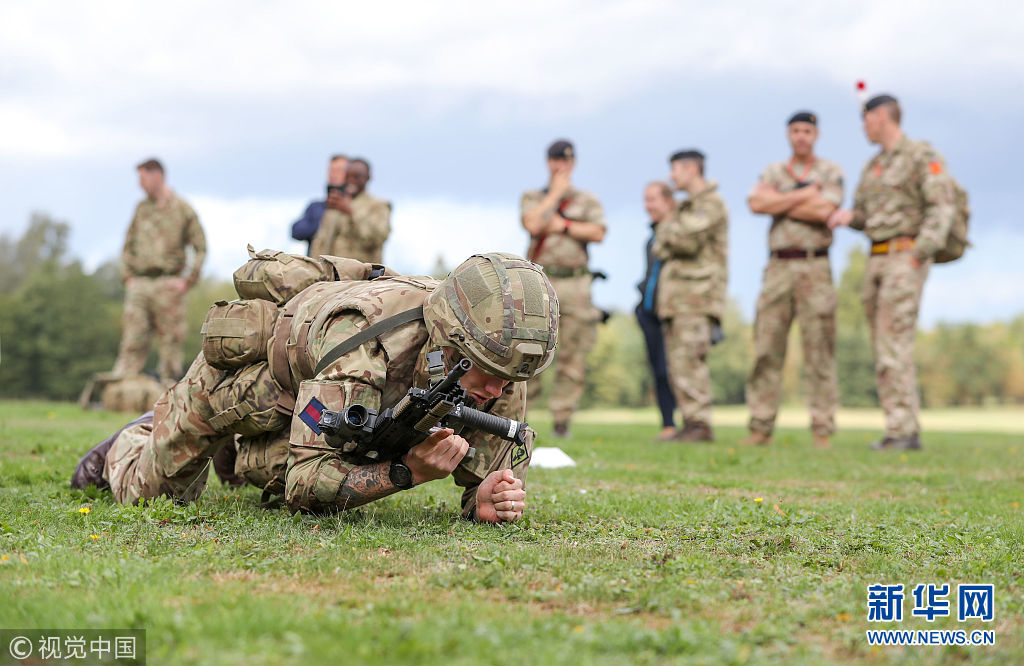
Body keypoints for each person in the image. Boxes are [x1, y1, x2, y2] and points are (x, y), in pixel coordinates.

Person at [72, 252, 559, 523]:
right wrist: (407, 470)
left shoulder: (496, 360)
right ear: (449, 342)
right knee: (153, 498)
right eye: (485, 371)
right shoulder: (366, 344)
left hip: (326, 401)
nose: (497, 390)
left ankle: (241, 453)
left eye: (511, 377)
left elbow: (485, 481)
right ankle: (135, 439)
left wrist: (487, 501)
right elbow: (307, 484)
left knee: (309, 456)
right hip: (251, 378)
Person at [828, 94, 956, 451]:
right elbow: (867, 215)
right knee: (883, 342)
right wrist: (848, 217)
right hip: (876, 257)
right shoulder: (874, 166)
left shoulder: (921, 155)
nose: (863, 127)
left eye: (866, 119)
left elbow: (941, 206)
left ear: (882, 116)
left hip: (904, 255)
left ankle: (902, 430)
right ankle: (899, 426)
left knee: (894, 341)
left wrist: (920, 254)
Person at [743, 111, 844, 449]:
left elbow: (823, 212)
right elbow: (755, 203)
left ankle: (822, 428)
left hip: (815, 266)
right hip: (778, 268)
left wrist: (779, 202)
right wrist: (804, 194)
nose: (801, 136)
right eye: (796, 131)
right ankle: (760, 426)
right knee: (766, 348)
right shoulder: (773, 170)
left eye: (807, 131)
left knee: (819, 350)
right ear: (788, 135)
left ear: (816, 134)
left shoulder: (830, 172)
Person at [520, 139, 606, 438]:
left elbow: (598, 231)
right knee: (529, 349)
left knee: (572, 356)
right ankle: (520, 417)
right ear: (548, 162)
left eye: (565, 161)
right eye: (555, 160)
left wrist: (562, 226)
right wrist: (555, 195)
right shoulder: (534, 196)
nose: (560, 165)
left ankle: (562, 421)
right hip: (541, 282)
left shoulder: (587, 200)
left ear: (573, 163)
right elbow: (531, 223)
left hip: (575, 284)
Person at [653, 150, 728, 442]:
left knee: (690, 362)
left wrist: (670, 230)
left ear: (691, 169)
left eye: (675, 170)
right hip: (679, 298)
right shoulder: (686, 209)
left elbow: (684, 240)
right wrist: (670, 232)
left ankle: (700, 424)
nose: (672, 177)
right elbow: (661, 244)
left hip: (697, 296)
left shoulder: (711, 204)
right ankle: (692, 422)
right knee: (678, 364)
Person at [112, 158, 206, 384]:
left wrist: (187, 281)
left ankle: (169, 392)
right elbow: (128, 244)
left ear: (157, 176)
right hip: (140, 285)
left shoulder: (183, 209)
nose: (139, 184)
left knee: (170, 342)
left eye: (142, 178)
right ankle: (121, 390)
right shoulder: (141, 209)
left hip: (169, 285)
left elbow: (200, 247)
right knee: (132, 339)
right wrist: (128, 278)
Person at [636, 182, 678, 441]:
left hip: (673, 313)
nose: (647, 206)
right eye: (645, 200)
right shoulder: (651, 237)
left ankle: (693, 423)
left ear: (668, 201)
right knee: (659, 370)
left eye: (652, 200)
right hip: (649, 312)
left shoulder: (677, 234)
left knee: (674, 369)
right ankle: (668, 424)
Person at [309, 158, 391, 264]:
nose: (351, 181)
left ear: (367, 178)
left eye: (356, 176)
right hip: (331, 276)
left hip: (363, 277)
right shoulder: (336, 206)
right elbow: (320, 242)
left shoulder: (378, 206)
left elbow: (376, 239)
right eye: (348, 176)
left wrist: (351, 212)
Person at [291, 154, 348, 255]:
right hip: (318, 267)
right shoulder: (316, 207)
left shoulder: (356, 208)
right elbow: (296, 232)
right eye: (331, 170)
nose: (333, 175)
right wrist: (322, 223)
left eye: (339, 171)